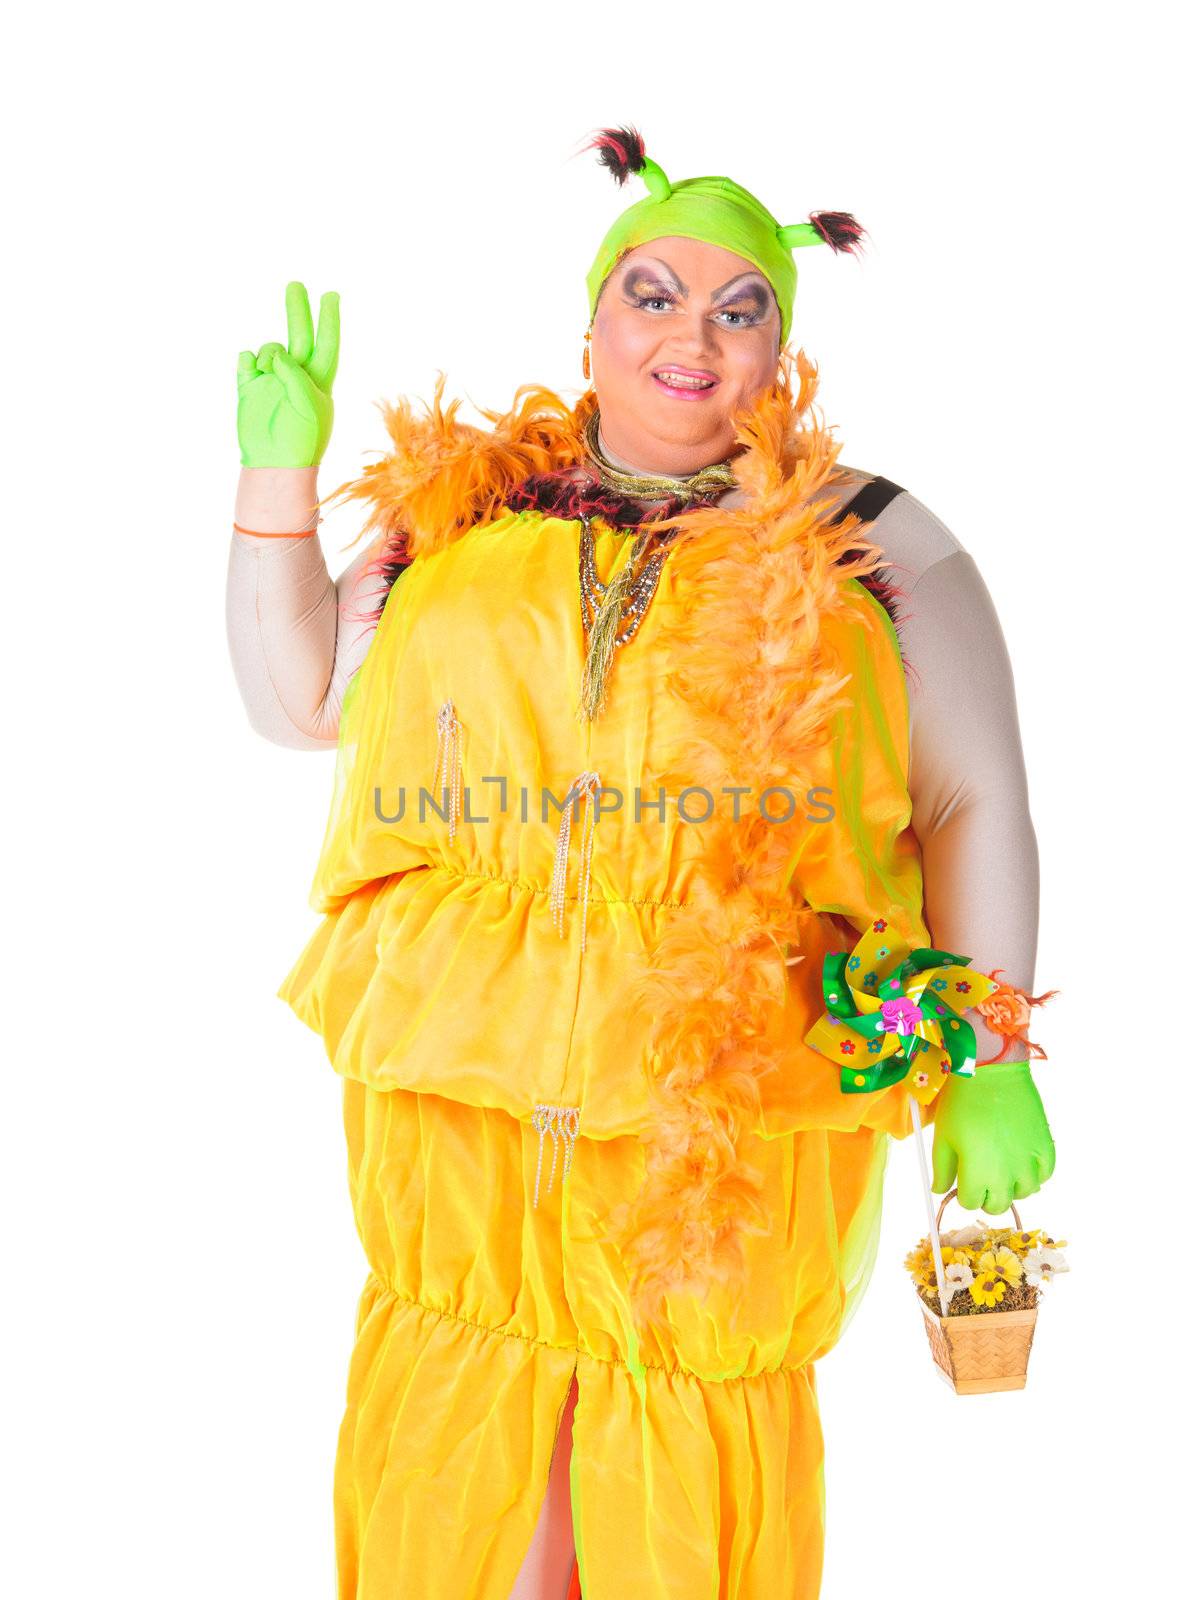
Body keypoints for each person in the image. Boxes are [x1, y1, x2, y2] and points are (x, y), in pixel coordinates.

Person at [226, 125, 1057, 1600]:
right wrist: (274, 483)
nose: (695, 337)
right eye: (656, 293)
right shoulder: (461, 512)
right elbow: (301, 704)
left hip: (716, 1114)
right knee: (472, 1476)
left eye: (742, 310)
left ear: (780, 354)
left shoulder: (869, 538)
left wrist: (991, 1054)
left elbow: (972, 802)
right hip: (467, 1113)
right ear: (592, 319)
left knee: (671, 1483)